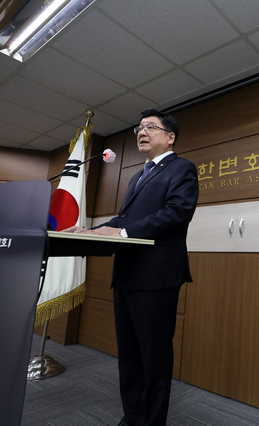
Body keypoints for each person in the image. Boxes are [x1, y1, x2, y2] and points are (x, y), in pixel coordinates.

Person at [65, 109, 199, 425]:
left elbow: (177, 212)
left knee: (153, 356)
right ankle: (133, 415)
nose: (142, 131)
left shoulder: (182, 169)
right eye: (140, 127)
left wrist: (121, 232)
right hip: (127, 274)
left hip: (157, 276)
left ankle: (152, 421)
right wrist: (95, 231)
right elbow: (125, 221)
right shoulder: (138, 176)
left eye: (151, 127)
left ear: (170, 137)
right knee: (129, 354)